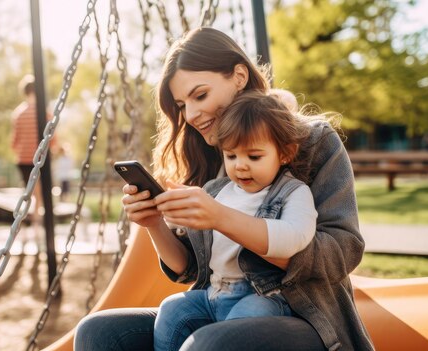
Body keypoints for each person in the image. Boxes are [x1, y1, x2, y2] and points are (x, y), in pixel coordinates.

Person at [75, 27, 373, 351]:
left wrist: (222, 218)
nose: (190, 115)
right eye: (181, 105)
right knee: (98, 332)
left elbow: (342, 253)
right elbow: (190, 270)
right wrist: (154, 225)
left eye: (200, 96)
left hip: (305, 316)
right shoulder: (208, 154)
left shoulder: (311, 141)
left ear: (239, 76)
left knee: (208, 345)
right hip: (219, 304)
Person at [152, 90, 317, 351]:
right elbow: (193, 245)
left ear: (285, 153)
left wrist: (221, 217)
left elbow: (294, 238)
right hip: (214, 292)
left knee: (226, 336)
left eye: (254, 157)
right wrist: (167, 214)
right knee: (172, 309)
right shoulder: (218, 190)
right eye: (231, 156)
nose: (240, 166)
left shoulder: (293, 192)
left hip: (263, 295)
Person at [11, 74, 51, 224]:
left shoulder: (18, 113)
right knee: (39, 196)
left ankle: (26, 224)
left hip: (23, 160)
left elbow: (14, 142)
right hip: (40, 160)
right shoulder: (45, 113)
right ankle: (36, 225)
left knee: (29, 193)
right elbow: (52, 140)